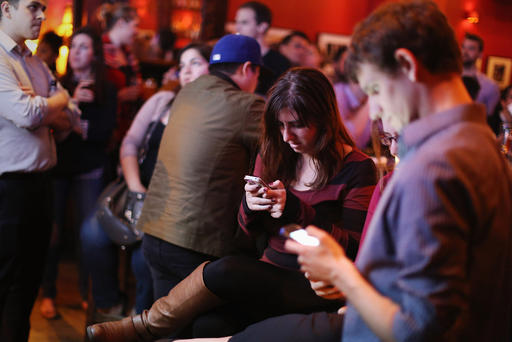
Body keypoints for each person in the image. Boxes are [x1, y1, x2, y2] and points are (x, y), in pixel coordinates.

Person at [206, 1, 512, 341]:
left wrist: (340, 271)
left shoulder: (431, 168)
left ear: (407, 66)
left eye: (375, 91)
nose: (377, 110)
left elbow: (414, 328)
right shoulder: (484, 145)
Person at [85, 66, 377, 342]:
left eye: (298, 126)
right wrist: (251, 206)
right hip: (265, 278)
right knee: (206, 326)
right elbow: (246, 233)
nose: (287, 137)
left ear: (324, 118)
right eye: (281, 126)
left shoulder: (357, 168)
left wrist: (295, 210)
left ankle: (144, 327)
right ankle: (145, 327)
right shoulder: (277, 152)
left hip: (313, 286)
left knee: (226, 269)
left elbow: (351, 249)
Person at [81, 43, 211, 316]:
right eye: (182, 65)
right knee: (91, 234)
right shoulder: (161, 100)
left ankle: (141, 321)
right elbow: (129, 144)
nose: (187, 71)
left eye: (195, 63)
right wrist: (136, 187)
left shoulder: (213, 112)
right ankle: (110, 304)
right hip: (135, 189)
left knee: (145, 261)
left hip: (171, 206)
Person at [0, 0, 76, 340]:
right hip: (8, 188)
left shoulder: (35, 63)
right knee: (5, 280)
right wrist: (48, 105)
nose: (43, 16)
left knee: (30, 279)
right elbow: (29, 115)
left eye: (43, 8)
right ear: (6, 9)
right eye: (33, 8)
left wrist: (46, 106)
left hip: (42, 184)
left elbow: (71, 116)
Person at [38, 26, 117, 320]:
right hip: (58, 167)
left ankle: (88, 293)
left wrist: (72, 122)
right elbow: (47, 124)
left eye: (83, 47)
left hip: (90, 169)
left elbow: (103, 132)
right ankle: (48, 294)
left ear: (95, 53)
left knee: (89, 237)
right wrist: (72, 103)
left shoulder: (107, 88)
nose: (76, 53)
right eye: (73, 47)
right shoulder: (59, 85)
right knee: (53, 234)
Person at [99, 3, 142, 179]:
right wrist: (119, 96)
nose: (137, 31)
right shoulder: (99, 49)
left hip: (126, 126)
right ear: (120, 24)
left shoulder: (128, 52)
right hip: (106, 128)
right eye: (135, 25)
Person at [235, 1, 290, 95]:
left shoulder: (280, 63)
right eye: (237, 22)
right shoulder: (234, 56)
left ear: (262, 27)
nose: (237, 27)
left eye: (244, 22)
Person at [461, 32, 500, 116]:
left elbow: (488, 118)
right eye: (463, 47)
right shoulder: (447, 78)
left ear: (480, 54)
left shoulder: (490, 86)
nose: (464, 51)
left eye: (471, 48)